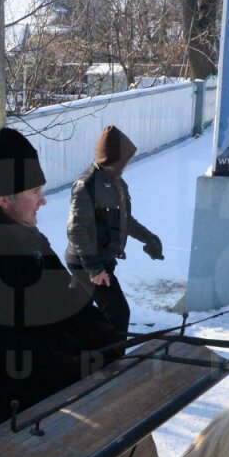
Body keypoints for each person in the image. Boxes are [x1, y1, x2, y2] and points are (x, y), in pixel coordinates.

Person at [0, 128, 116, 432]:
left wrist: (103, 332)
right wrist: (66, 363)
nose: (42, 201)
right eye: (34, 192)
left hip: (40, 382)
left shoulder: (31, 239)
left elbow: (65, 297)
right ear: (4, 198)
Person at [65, 126, 164, 337]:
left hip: (102, 259)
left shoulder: (116, 182)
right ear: (114, 158)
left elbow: (125, 220)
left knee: (76, 313)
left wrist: (149, 238)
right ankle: (114, 365)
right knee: (118, 314)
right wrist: (94, 268)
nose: (128, 163)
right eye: (125, 158)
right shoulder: (87, 185)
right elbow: (76, 229)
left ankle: (75, 355)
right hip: (87, 261)